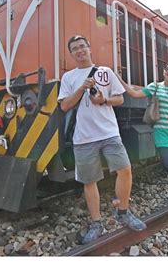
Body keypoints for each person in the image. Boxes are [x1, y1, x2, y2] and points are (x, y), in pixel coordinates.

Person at [58, 35, 146, 244]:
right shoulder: (68, 78)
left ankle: (123, 212)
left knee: (125, 170)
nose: (79, 51)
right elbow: (64, 106)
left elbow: (120, 98)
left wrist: (103, 100)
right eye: (74, 49)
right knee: (90, 181)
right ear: (71, 54)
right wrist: (81, 88)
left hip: (109, 133)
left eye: (82, 47)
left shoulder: (105, 72)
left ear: (89, 49)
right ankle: (96, 223)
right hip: (83, 137)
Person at [119, 60, 168, 204]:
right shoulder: (154, 87)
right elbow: (134, 94)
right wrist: (119, 79)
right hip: (162, 133)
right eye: (167, 68)